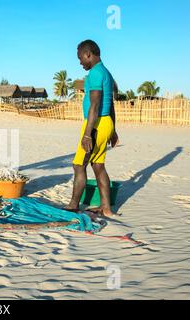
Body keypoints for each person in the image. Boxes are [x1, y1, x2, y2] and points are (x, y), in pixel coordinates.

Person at [64, 40, 120, 217]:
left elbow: (95, 106)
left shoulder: (95, 73)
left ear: (88, 54)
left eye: (80, 58)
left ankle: (73, 205)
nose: (80, 62)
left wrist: (87, 134)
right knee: (98, 165)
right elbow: (110, 105)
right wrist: (113, 129)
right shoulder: (106, 72)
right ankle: (106, 208)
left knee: (78, 165)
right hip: (105, 123)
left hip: (95, 124)